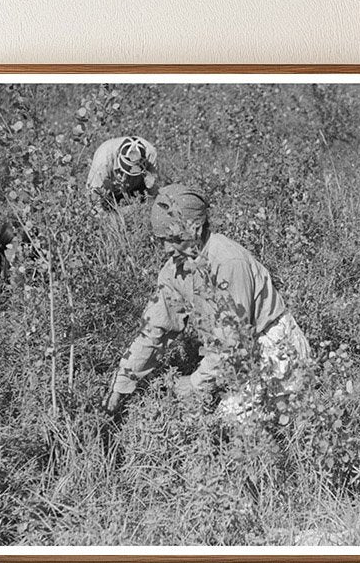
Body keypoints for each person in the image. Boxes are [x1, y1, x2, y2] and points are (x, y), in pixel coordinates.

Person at [104, 184, 311, 416]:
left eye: (174, 238)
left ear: (196, 228)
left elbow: (233, 340)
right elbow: (153, 329)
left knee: (233, 425)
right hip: (233, 355)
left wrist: (195, 382)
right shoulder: (173, 270)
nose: (166, 249)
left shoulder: (227, 262)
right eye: (161, 239)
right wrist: (122, 382)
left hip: (273, 346)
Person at [86, 135, 159, 208]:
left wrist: (151, 206)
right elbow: (94, 195)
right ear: (119, 154)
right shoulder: (103, 160)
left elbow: (153, 186)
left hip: (136, 188)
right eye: (128, 168)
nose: (128, 172)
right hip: (111, 192)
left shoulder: (150, 153)